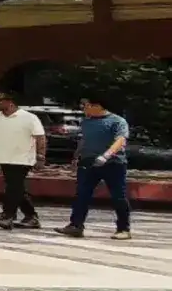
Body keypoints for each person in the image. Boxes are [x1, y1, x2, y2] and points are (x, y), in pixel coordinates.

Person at [57, 96, 132, 240]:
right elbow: (84, 139)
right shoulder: (87, 122)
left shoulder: (117, 121)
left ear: (97, 106)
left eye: (85, 106)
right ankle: (76, 225)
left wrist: (106, 156)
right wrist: (76, 156)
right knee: (81, 194)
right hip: (88, 162)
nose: (83, 109)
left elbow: (121, 140)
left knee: (118, 196)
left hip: (113, 163)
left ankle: (123, 228)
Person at [0, 93, 44, 230]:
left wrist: (41, 156)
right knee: (17, 188)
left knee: (13, 187)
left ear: (10, 102)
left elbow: (40, 137)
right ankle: (31, 216)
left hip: (23, 158)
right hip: (4, 157)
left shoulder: (29, 118)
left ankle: (8, 215)